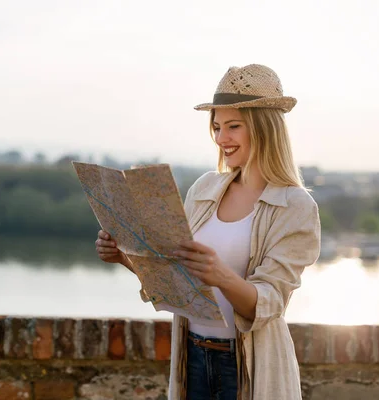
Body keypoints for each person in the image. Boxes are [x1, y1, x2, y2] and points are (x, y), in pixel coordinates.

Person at [95, 64, 321, 400]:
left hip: (248, 365)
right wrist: (126, 256)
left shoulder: (295, 205)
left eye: (233, 127)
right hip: (192, 357)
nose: (221, 139)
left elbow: (271, 301)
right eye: (216, 127)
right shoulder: (204, 189)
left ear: (264, 129)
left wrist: (222, 277)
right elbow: (177, 279)